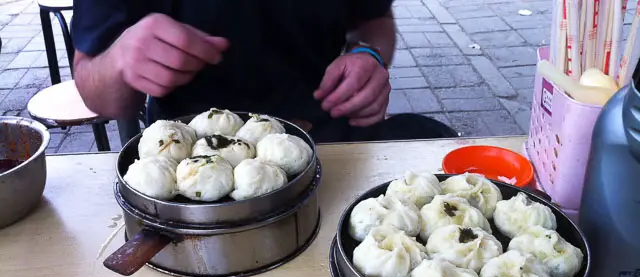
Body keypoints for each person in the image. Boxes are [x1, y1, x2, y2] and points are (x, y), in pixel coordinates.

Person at [72, 1, 456, 143]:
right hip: (190, 162)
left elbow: (373, 22)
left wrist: (369, 55)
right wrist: (122, 58)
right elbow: (98, 93)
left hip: (333, 143)